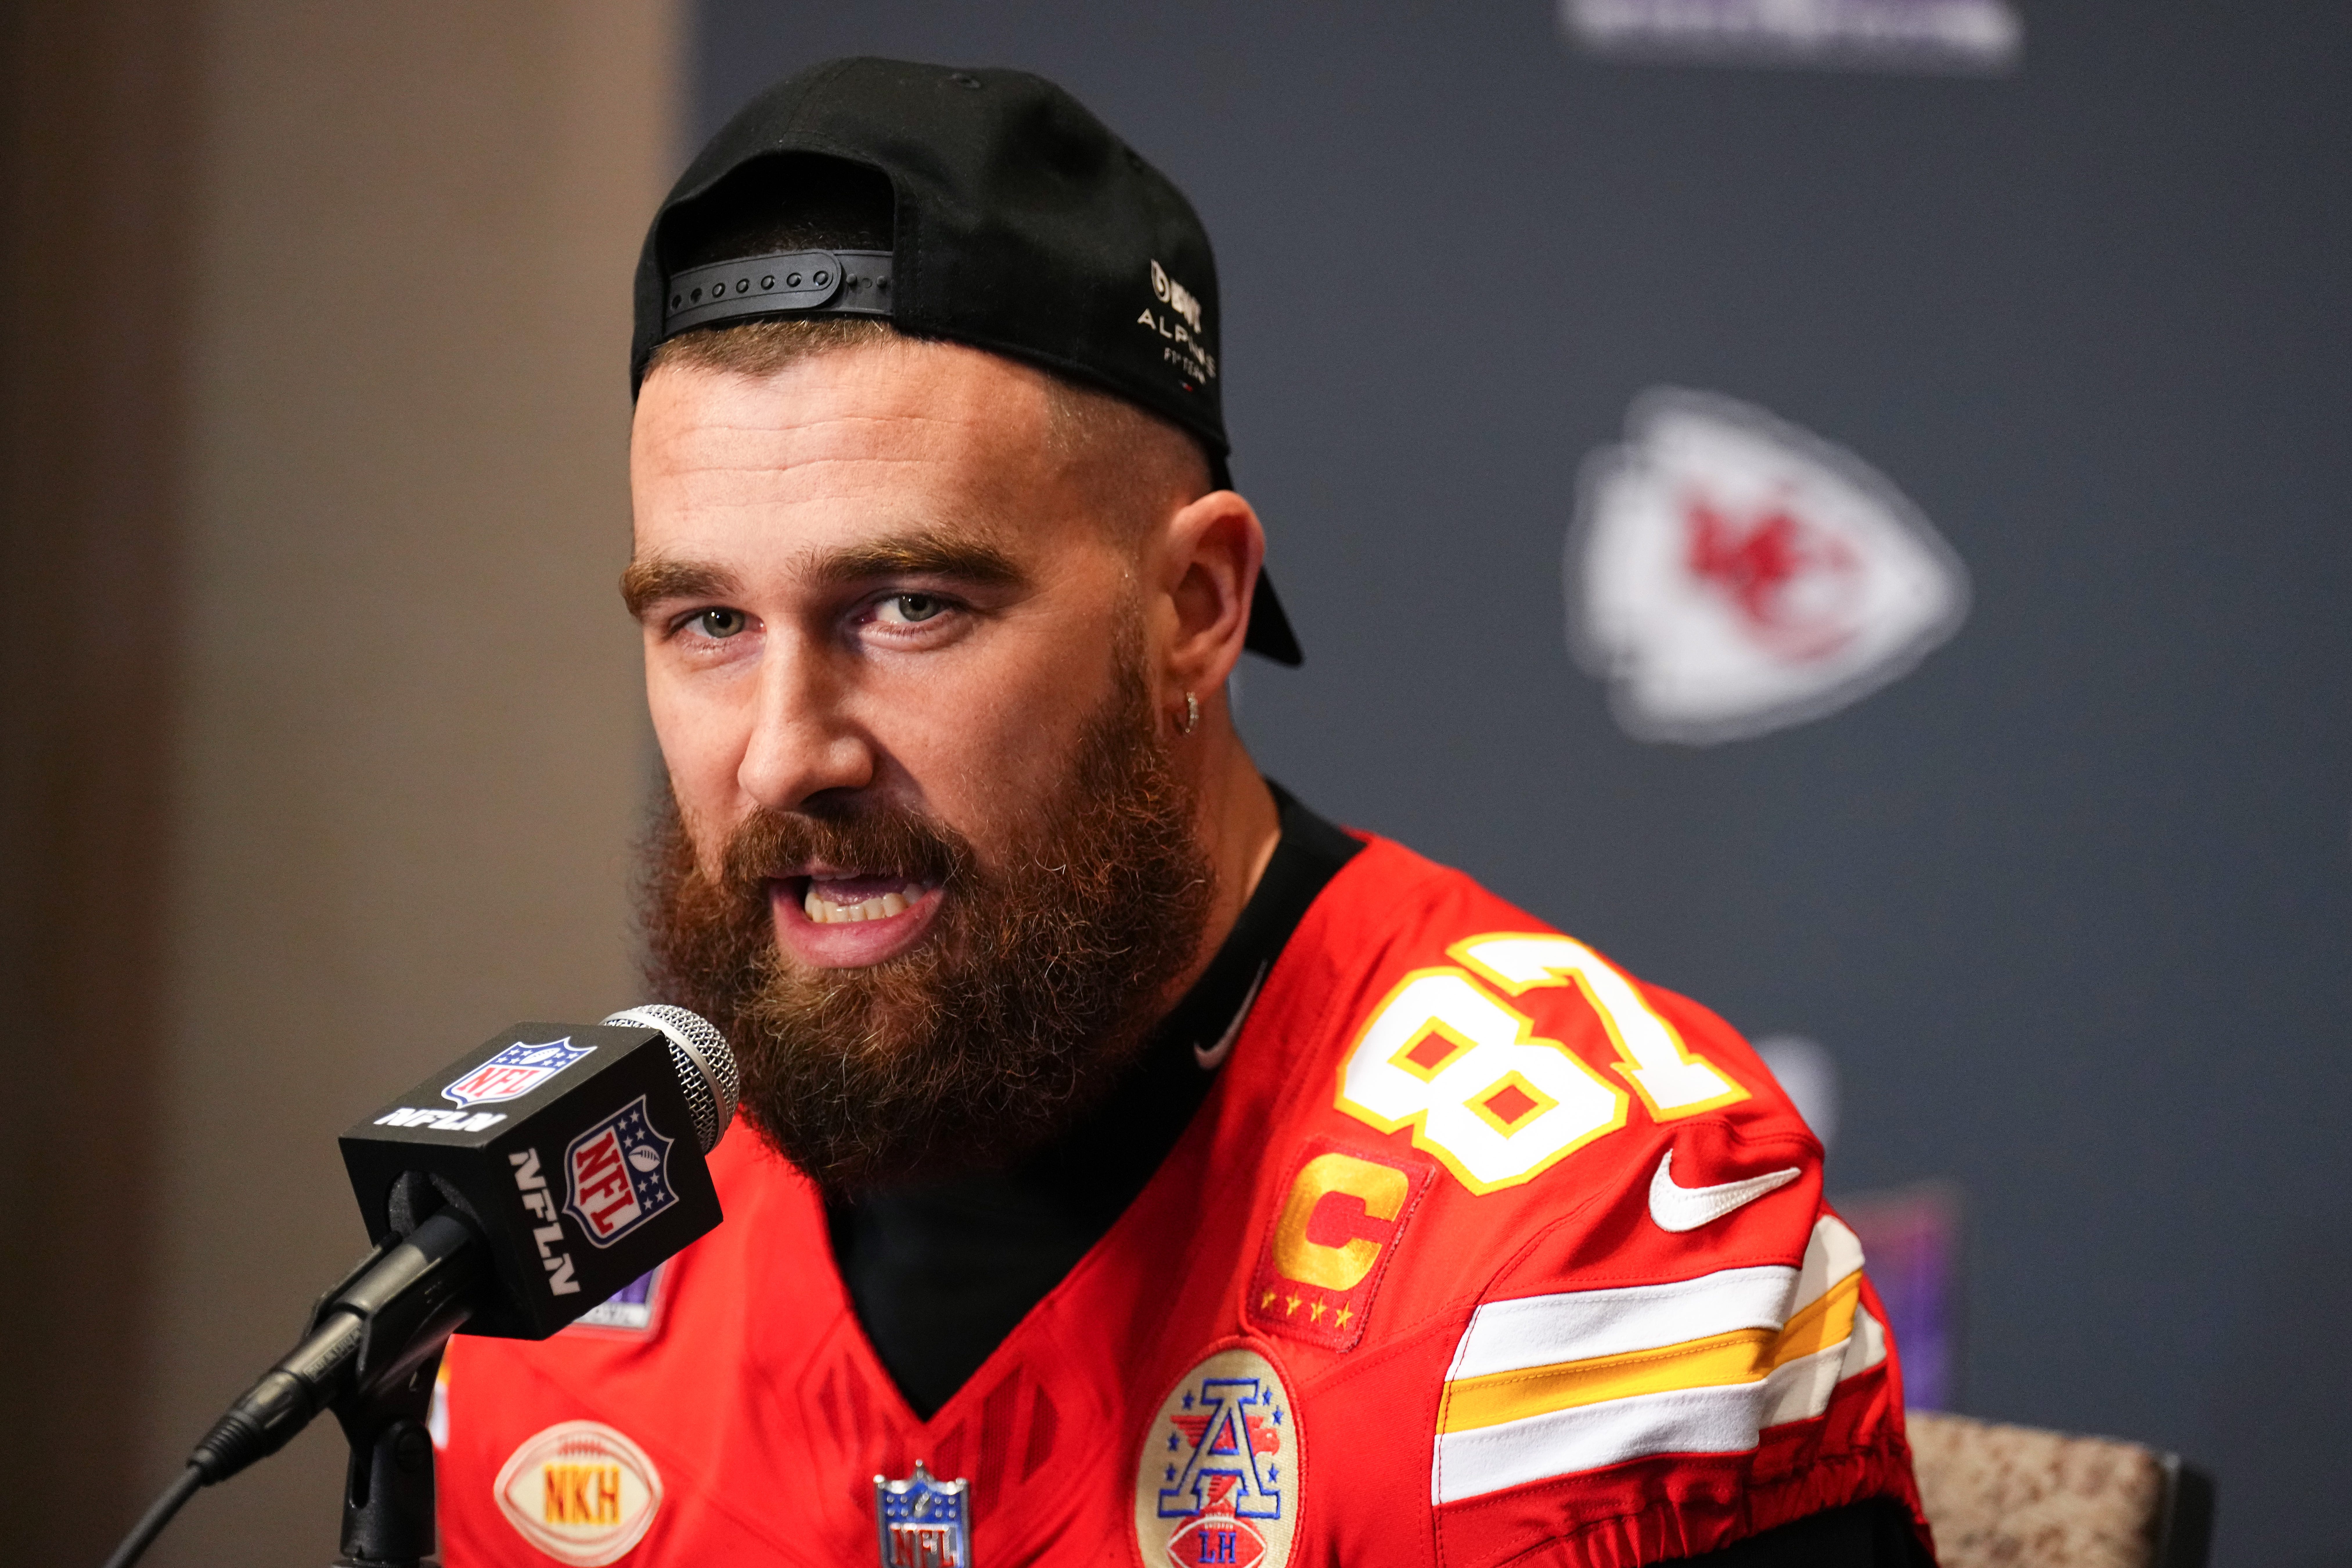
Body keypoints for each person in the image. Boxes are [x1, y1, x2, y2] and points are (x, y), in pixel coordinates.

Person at [435, 57, 1931, 1568]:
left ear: (1194, 608)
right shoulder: (560, 1268)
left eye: (905, 605)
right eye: (705, 623)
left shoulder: (1589, 1257)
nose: (779, 756)